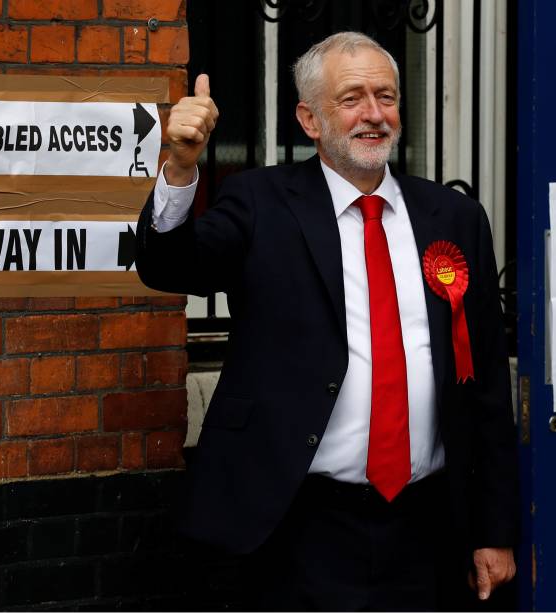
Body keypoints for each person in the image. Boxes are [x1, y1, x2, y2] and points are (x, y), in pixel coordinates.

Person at [136, 31, 519, 610]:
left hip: (428, 527)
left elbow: (486, 382)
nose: (374, 114)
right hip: (294, 523)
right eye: (352, 98)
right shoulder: (260, 202)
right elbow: (169, 265)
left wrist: (494, 530)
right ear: (309, 119)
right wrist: (182, 167)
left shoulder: (455, 216)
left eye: (386, 97)